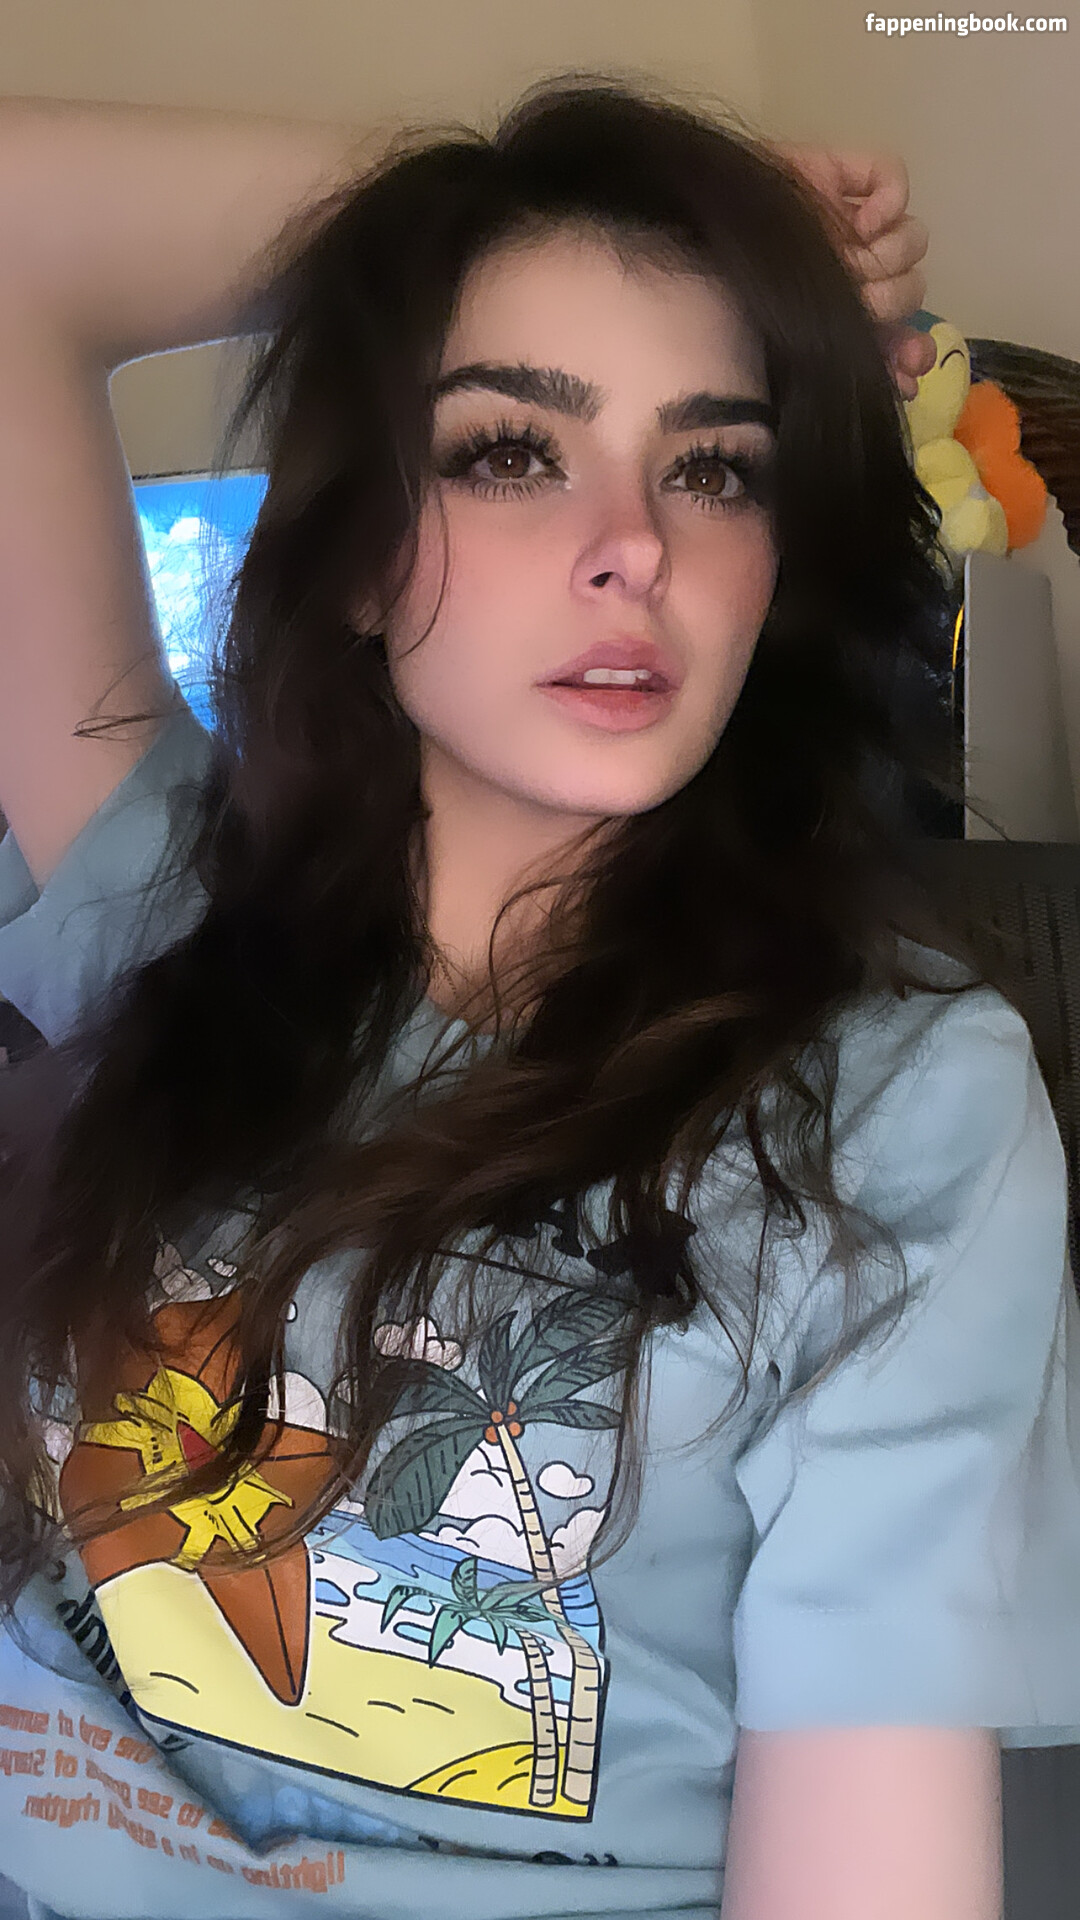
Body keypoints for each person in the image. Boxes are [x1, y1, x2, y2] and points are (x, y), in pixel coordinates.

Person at [0, 72, 1074, 1920]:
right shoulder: (154, 891)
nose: (635, 543)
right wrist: (522, 211)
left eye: (714, 466)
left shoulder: (906, 1105)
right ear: (354, 553)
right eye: (511, 447)